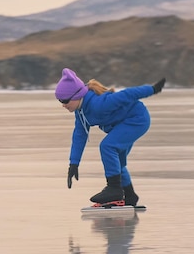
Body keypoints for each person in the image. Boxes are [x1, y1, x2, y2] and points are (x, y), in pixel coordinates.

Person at [55, 68, 166, 205]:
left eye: (65, 100)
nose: (63, 105)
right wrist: (74, 163)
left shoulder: (99, 104)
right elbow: (79, 135)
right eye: (60, 101)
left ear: (77, 96)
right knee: (118, 161)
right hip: (122, 125)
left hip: (136, 120)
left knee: (108, 146)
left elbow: (127, 94)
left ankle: (114, 188)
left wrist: (153, 89)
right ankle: (130, 196)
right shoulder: (81, 112)